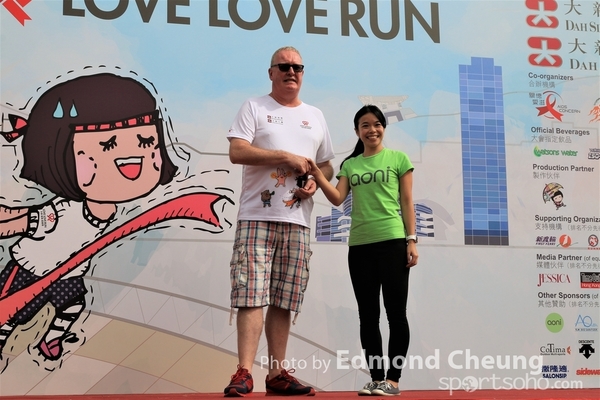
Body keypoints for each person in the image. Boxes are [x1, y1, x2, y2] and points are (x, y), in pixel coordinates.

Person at [0, 73, 179, 360]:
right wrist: (9, 220)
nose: (132, 164)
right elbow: (27, 222)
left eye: (147, 142)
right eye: (107, 146)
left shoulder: (112, 211)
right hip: (30, 271)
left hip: (68, 273)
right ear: (60, 155)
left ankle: (51, 340)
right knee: (12, 313)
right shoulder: (64, 210)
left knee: (73, 304)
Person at [224, 46, 334, 397]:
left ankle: (276, 373)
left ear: (303, 73)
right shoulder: (255, 107)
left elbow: (326, 164)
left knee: (284, 298)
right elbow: (237, 151)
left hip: (297, 220)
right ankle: (244, 371)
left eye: (297, 67)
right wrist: (284, 156)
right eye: (284, 66)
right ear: (271, 72)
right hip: (257, 216)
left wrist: (315, 180)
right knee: (250, 294)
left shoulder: (315, 115)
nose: (291, 72)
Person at [307, 105, 418, 396]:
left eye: (377, 124)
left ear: (384, 128)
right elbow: (337, 198)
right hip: (359, 247)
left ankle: (393, 381)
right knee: (368, 317)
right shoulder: (351, 165)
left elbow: (407, 201)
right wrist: (318, 175)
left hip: (392, 242)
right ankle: (376, 378)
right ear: (357, 131)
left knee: (396, 314)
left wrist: (411, 239)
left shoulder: (399, 159)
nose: (372, 130)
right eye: (365, 125)